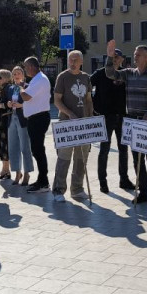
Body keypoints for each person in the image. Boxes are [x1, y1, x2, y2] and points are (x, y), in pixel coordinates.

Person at [105, 40, 147, 207]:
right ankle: (144, 192)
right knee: (137, 159)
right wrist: (110, 58)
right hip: (132, 121)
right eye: (134, 55)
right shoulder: (129, 73)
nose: (135, 57)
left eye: (138, 55)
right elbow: (111, 74)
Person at [51, 50, 94, 203]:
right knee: (64, 158)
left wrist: (90, 119)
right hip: (66, 124)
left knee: (81, 158)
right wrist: (69, 113)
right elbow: (57, 100)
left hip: (83, 124)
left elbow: (88, 100)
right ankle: (58, 190)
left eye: (75, 60)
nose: (73, 62)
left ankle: (77, 189)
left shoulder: (85, 77)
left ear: (81, 61)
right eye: (70, 60)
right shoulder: (62, 77)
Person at [90, 48, 132, 193]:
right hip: (105, 117)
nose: (115, 59)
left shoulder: (124, 74)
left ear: (122, 59)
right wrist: (93, 108)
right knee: (104, 150)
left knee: (123, 149)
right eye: (112, 57)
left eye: (117, 57)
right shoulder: (100, 73)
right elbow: (87, 87)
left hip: (121, 116)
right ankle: (103, 182)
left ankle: (124, 179)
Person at [20, 57, 52, 192]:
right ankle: (42, 179)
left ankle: (43, 182)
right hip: (37, 118)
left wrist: (21, 89)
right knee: (38, 150)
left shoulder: (40, 79)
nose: (25, 69)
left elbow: (26, 97)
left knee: (38, 150)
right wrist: (26, 87)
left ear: (32, 66)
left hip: (38, 119)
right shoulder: (39, 79)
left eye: (26, 66)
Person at [5, 66, 33, 186]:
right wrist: (9, 103)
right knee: (13, 147)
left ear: (23, 75)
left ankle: (27, 173)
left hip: (23, 119)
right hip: (12, 118)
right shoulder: (10, 88)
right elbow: (6, 101)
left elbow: (31, 102)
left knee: (25, 147)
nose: (16, 75)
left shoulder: (27, 87)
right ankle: (17, 172)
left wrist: (21, 106)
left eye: (19, 73)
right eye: (14, 73)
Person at [0, 69, 13, 181]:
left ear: (6, 78)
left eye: (0, 77)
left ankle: (6, 171)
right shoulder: (3, 88)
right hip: (0, 120)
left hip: (5, 120)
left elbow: (11, 103)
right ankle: (4, 170)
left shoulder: (8, 88)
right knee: (2, 145)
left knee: (5, 146)